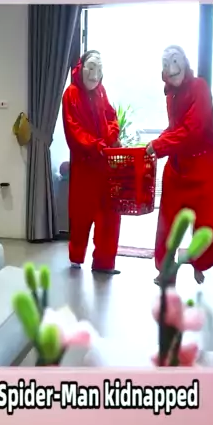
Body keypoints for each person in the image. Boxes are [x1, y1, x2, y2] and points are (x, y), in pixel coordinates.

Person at [147, 45, 213, 285]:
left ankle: (200, 263)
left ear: (185, 62)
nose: (171, 67)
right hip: (177, 166)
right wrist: (156, 144)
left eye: (175, 60)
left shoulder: (199, 87)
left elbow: (193, 129)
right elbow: (175, 128)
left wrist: (159, 145)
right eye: (166, 63)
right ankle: (166, 269)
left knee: (208, 222)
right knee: (166, 223)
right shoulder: (171, 94)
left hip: (203, 166)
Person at [62, 50, 121, 275]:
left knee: (110, 214)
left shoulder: (101, 91)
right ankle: (76, 257)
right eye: (91, 67)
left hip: (105, 165)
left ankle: (104, 263)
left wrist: (110, 137)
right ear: (81, 68)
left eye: (99, 69)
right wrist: (96, 146)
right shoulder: (71, 94)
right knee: (81, 214)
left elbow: (111, 116)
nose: (95, 74)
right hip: (85, 165)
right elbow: (73, 130)